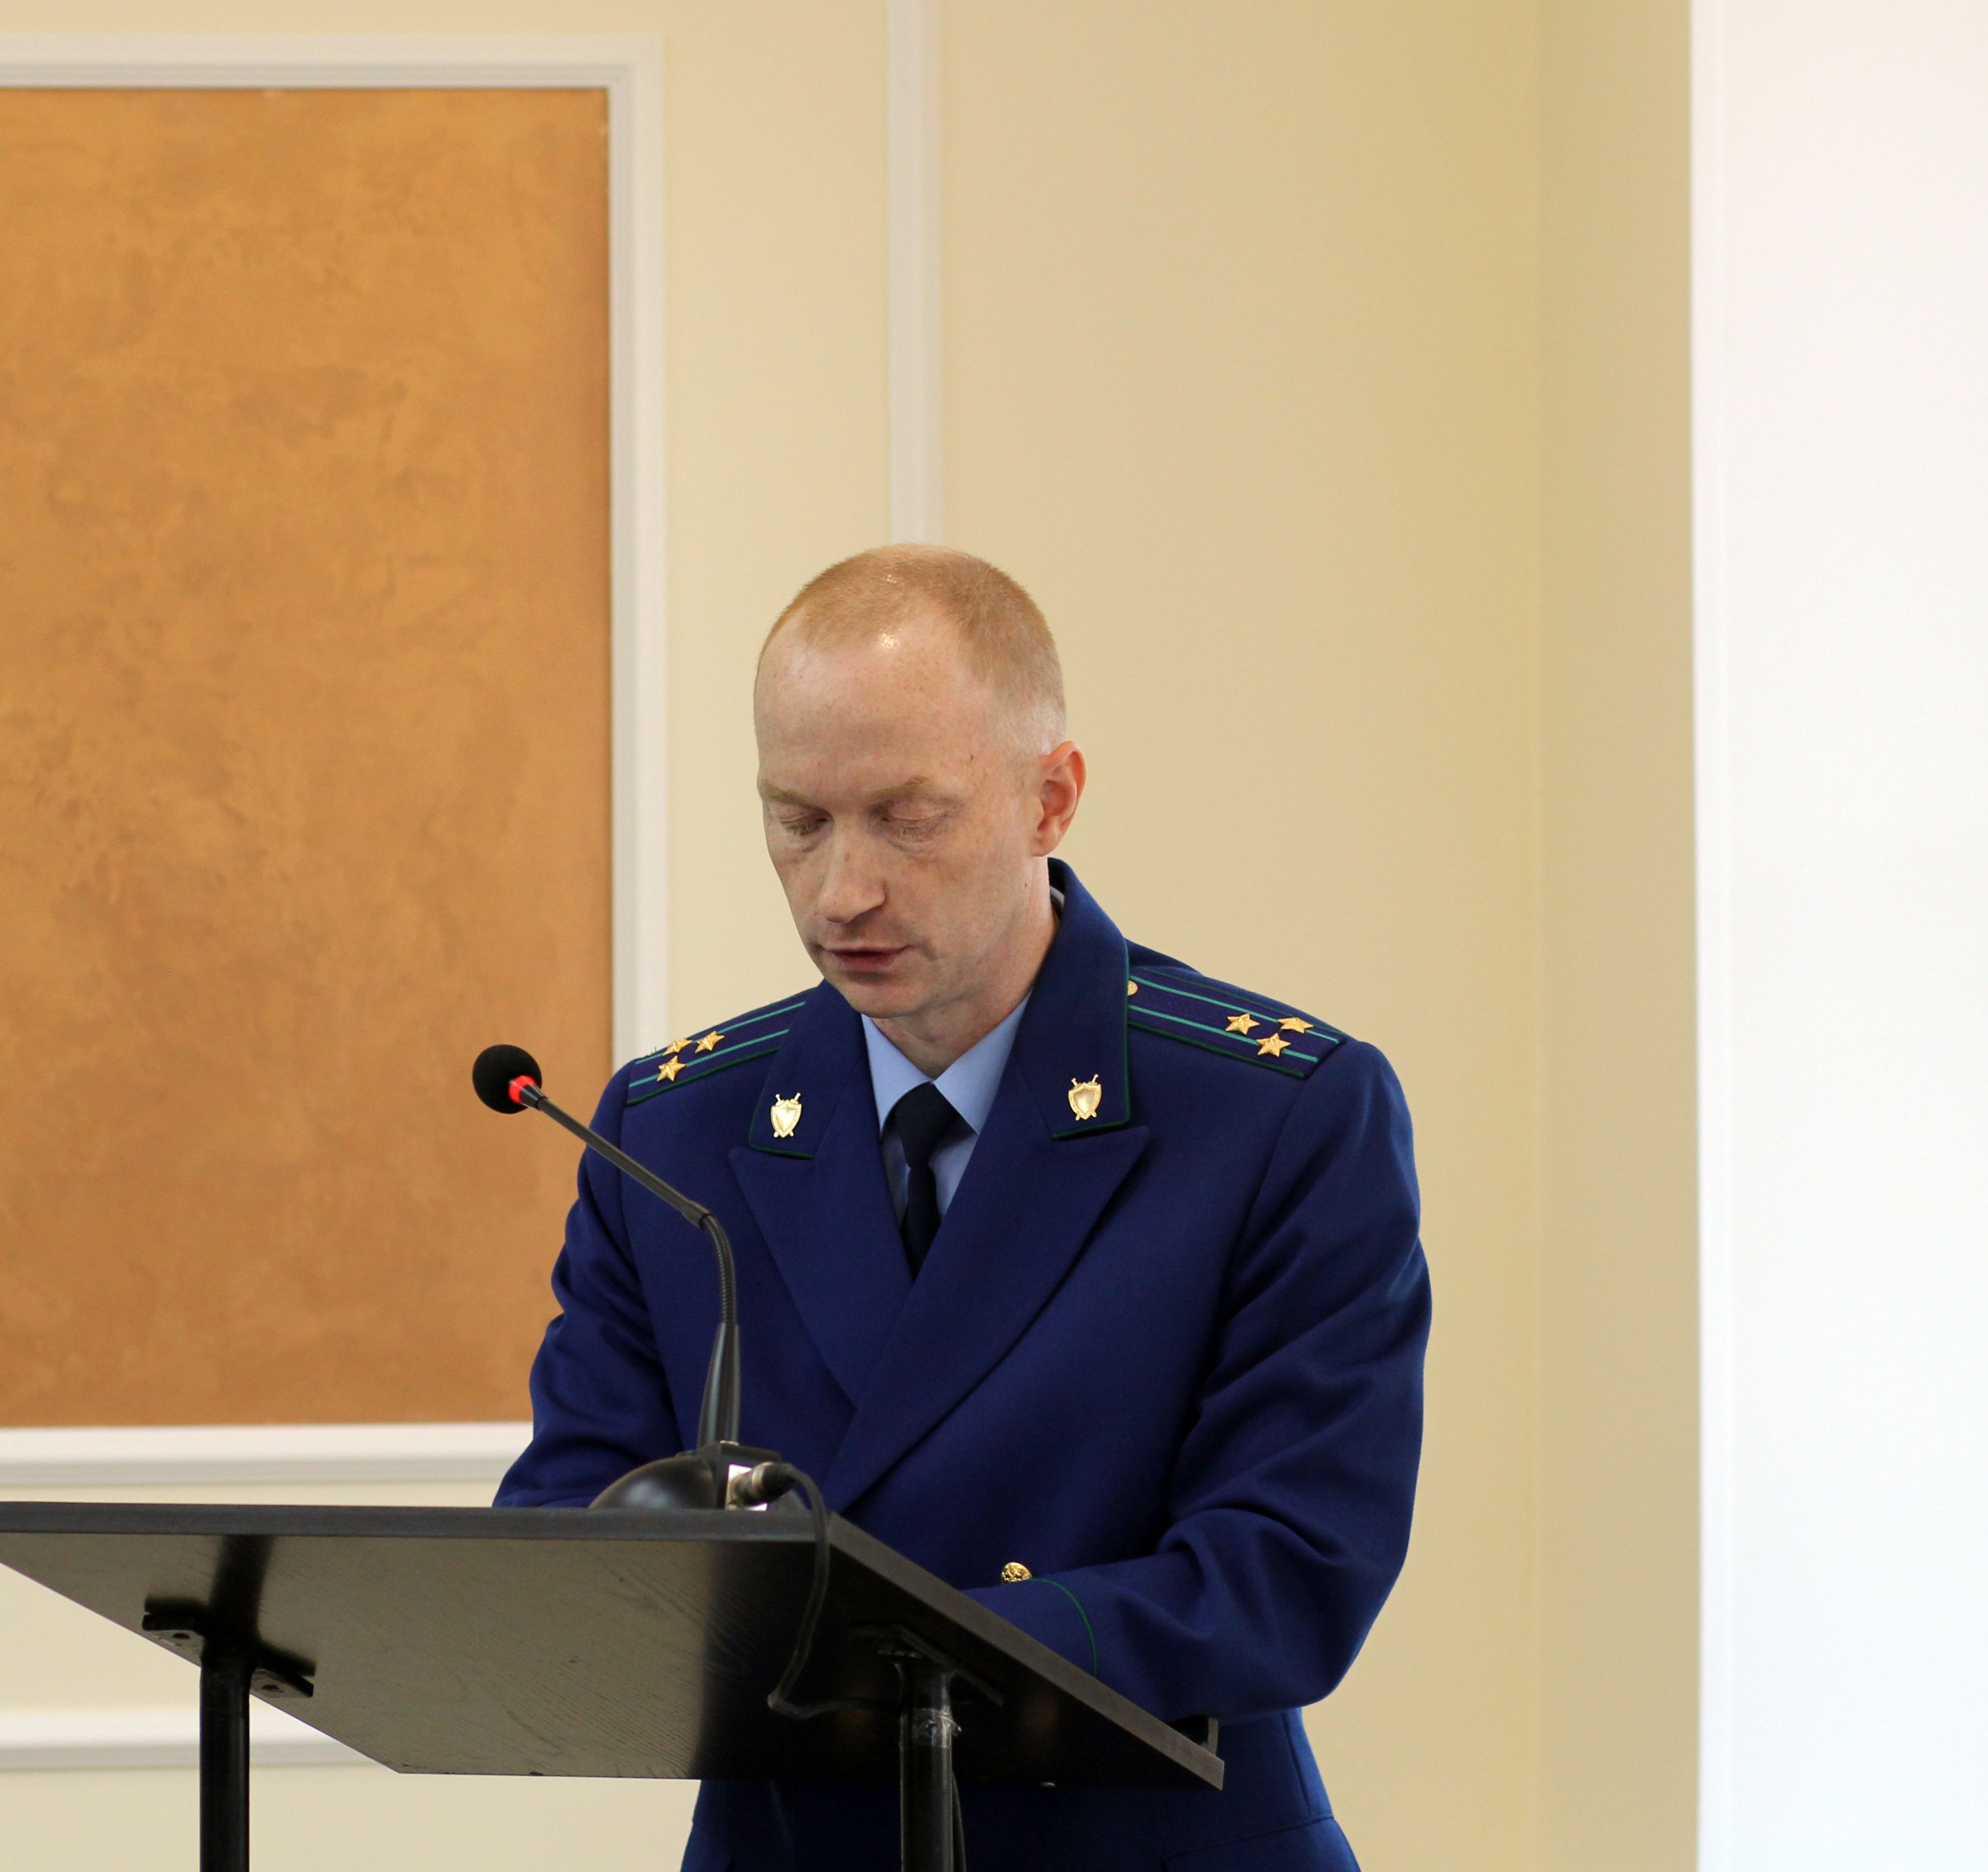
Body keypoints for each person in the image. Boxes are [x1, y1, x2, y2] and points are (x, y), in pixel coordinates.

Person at [497, 545, 1430, 1871]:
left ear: (1052, 798)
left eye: (908, 816)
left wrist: (881, 1654)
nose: (842, 890)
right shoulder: (672, 1131)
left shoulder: (1275, 1113)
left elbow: (1287, 1573)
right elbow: (568, 1527)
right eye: (797, 820)